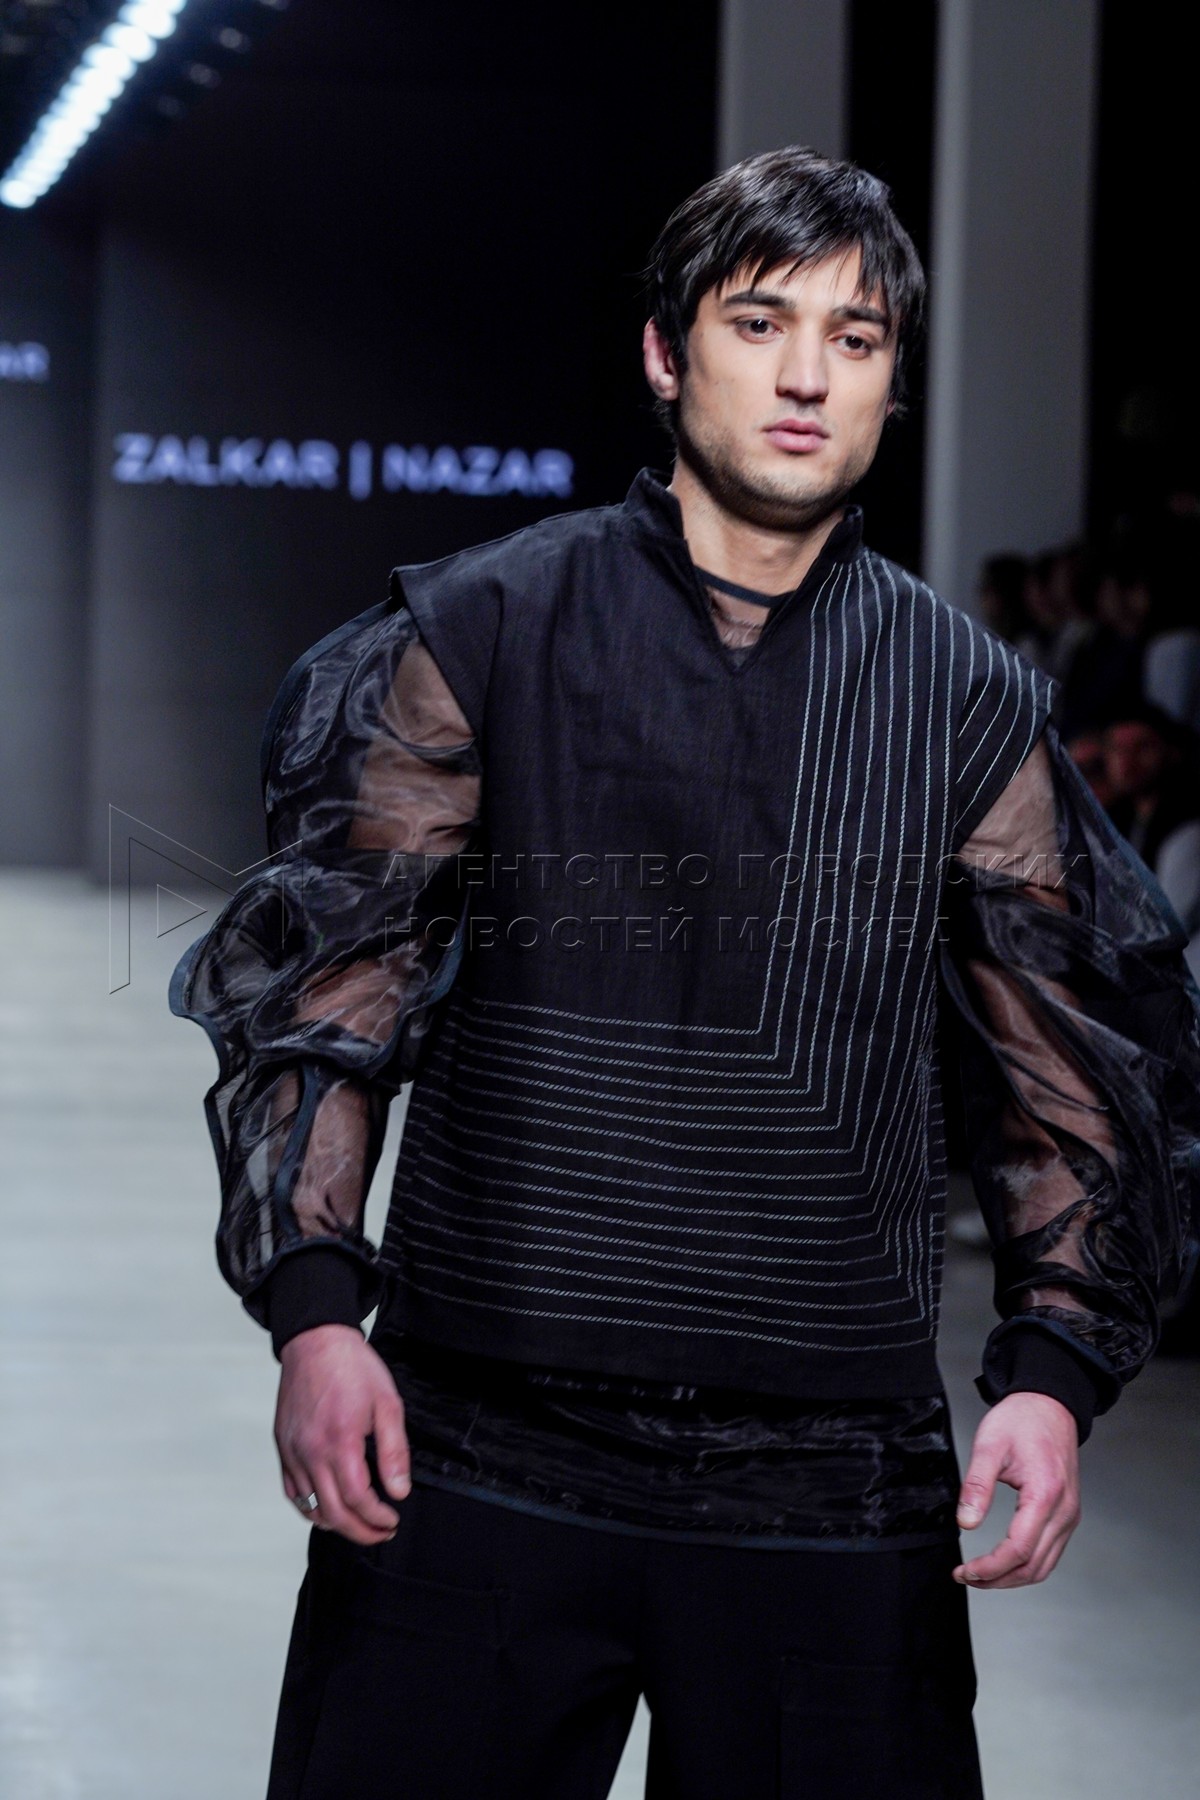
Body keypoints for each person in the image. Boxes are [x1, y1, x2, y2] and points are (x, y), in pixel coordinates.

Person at [172, 148, 1200, 1800]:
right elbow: (330, 990)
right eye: (760, 322)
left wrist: (1056, 1372)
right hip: (477, 1441)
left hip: (834, 1480)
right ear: (667, 353)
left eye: (856, 339)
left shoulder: (961, 697)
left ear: (892, 383)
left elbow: (1067, 1062)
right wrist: (311, 1311)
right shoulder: (483, 629)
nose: (807, 376)